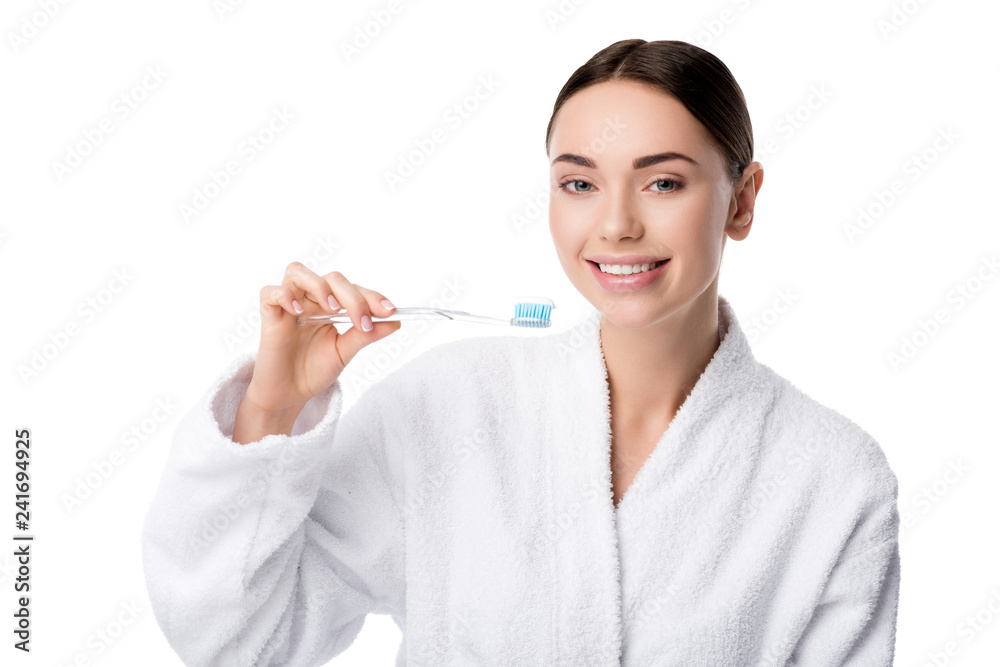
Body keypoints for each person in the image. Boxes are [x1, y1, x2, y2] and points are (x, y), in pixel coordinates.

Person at [141, 38, 900, 666]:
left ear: (741, 199)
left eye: (663, 181)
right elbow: (237, 639)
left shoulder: (833, 478)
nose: (615, 225)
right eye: (578, 183)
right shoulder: (447, 406)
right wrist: (273, 405)